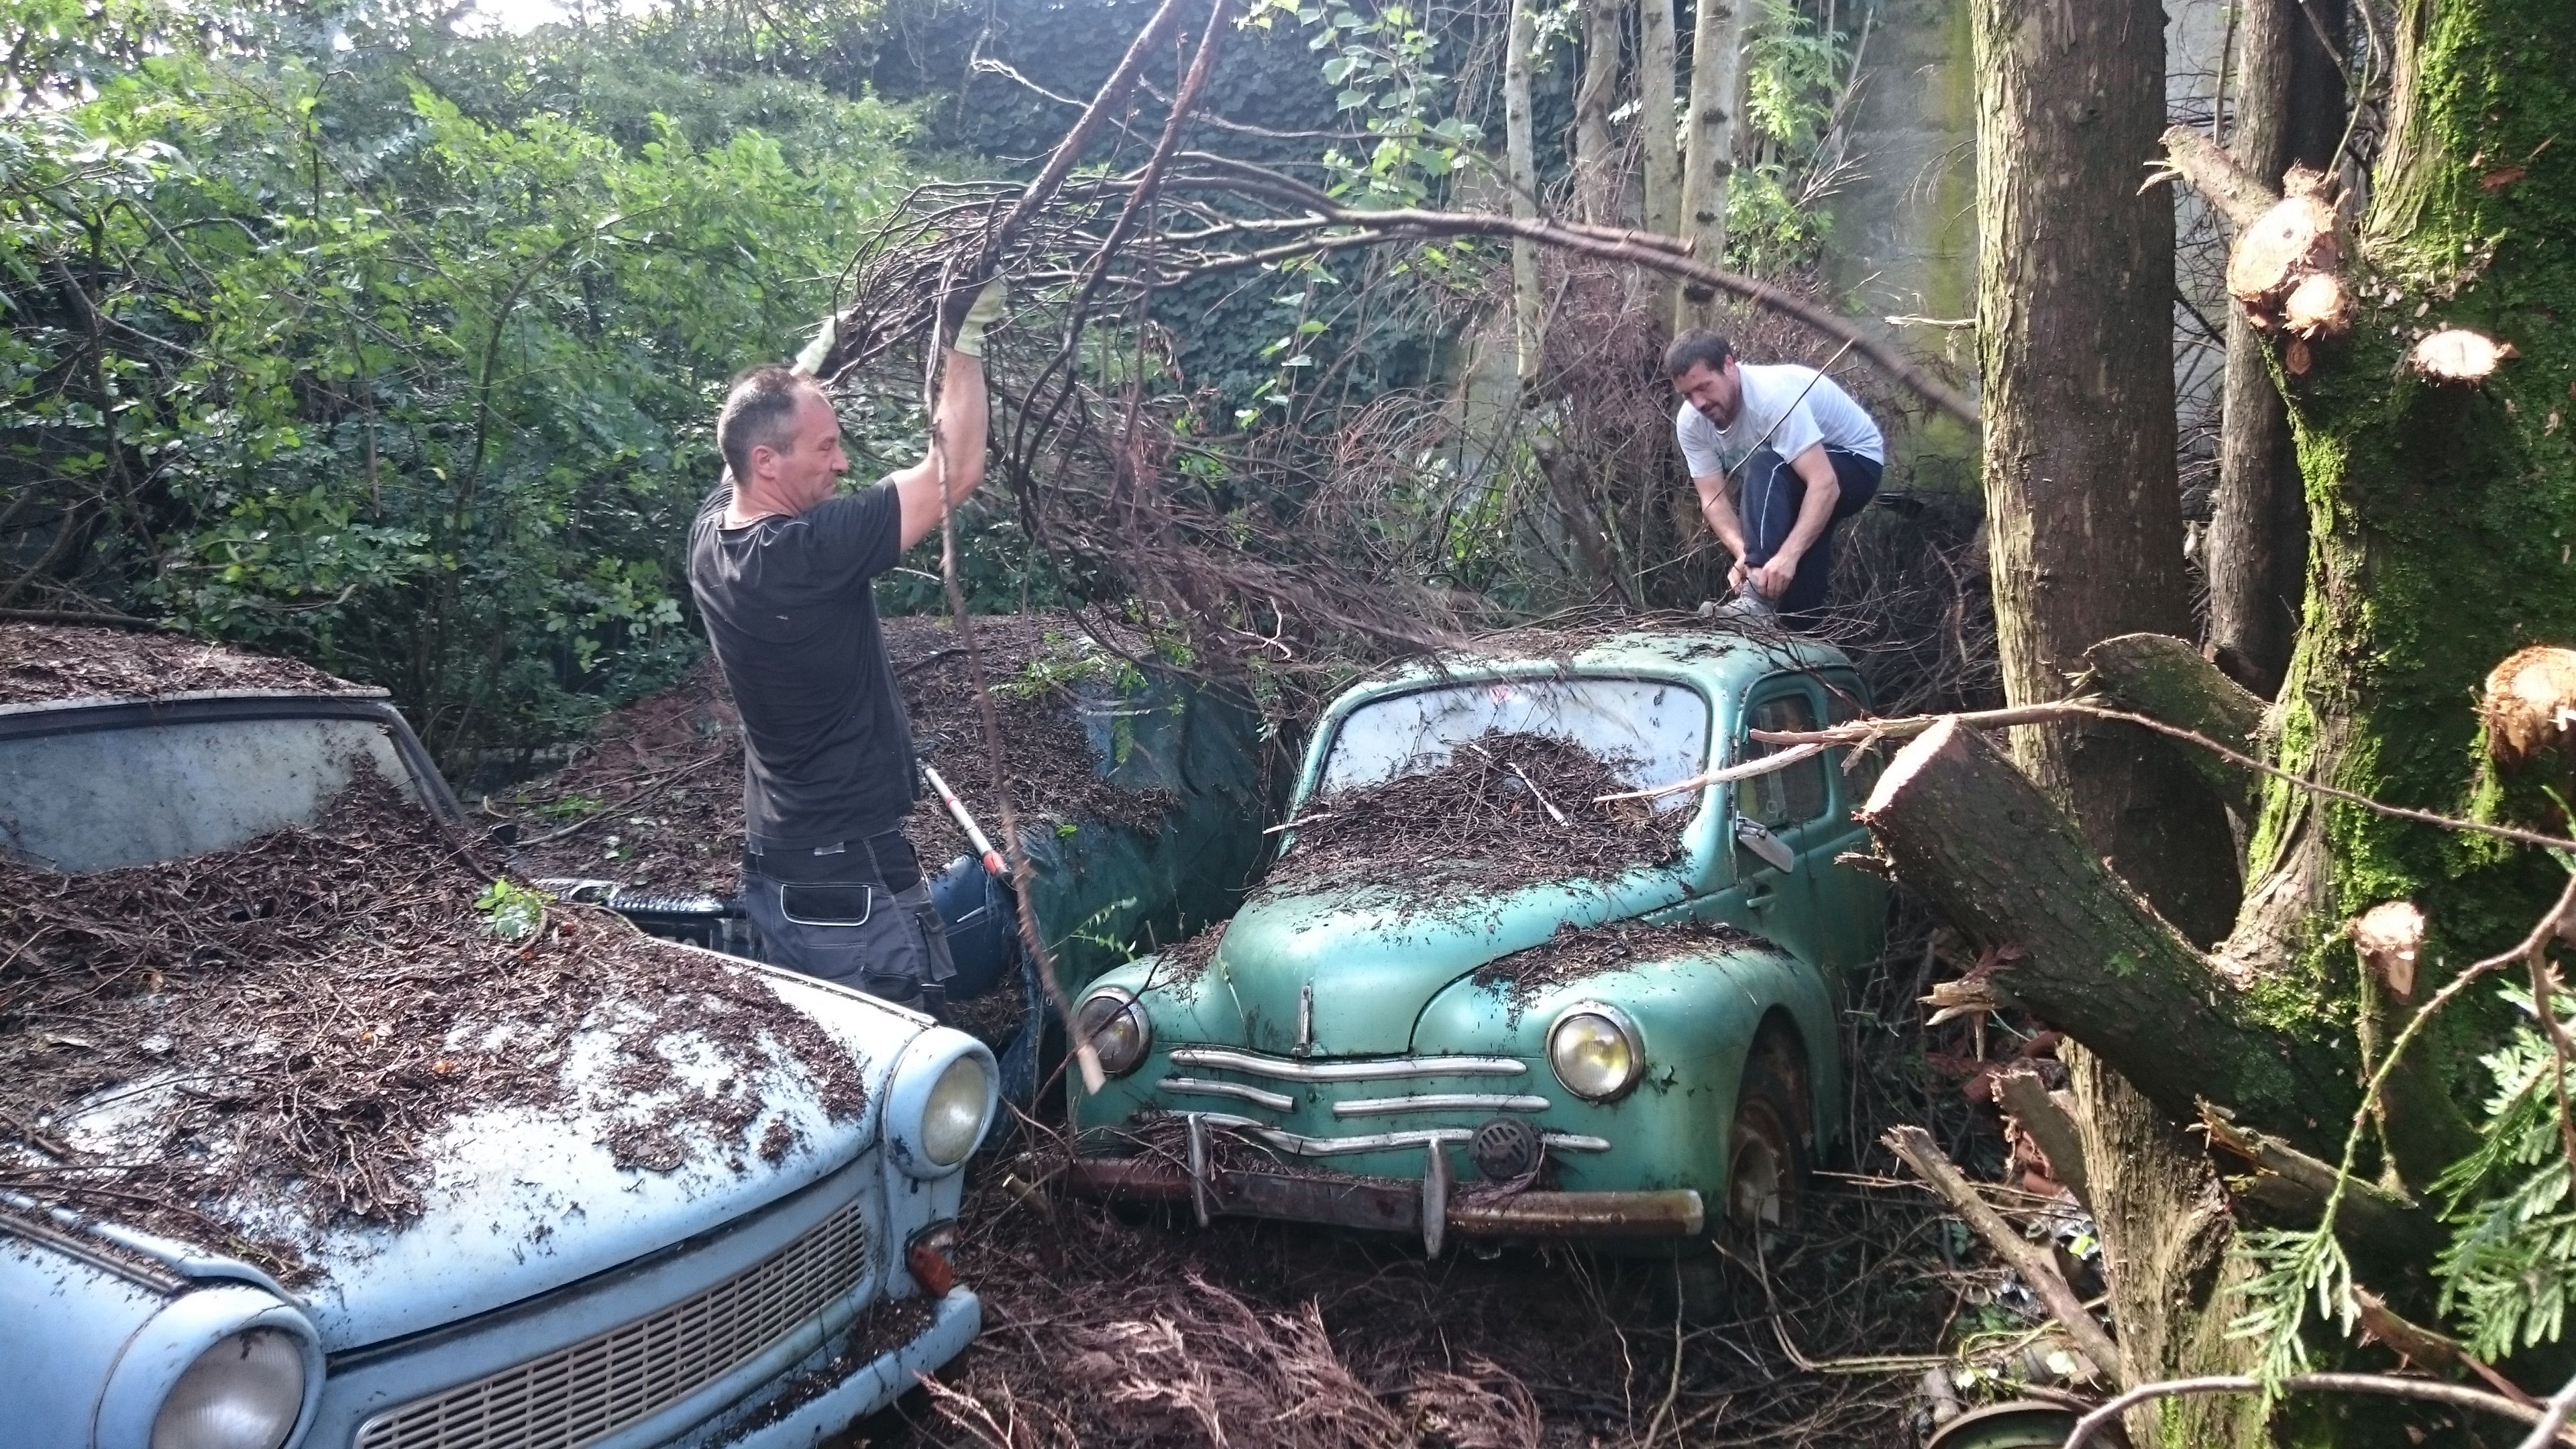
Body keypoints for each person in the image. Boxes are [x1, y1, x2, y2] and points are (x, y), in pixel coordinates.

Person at [687, 278, 1007, 1010]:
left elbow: (734, 448)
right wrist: (964, 342)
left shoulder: (713, 537)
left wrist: (811, 367)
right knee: (898, 1072)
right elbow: (954, 469)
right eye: (827, 448)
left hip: (784, 872)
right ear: (768, 463)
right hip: (850, 888)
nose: (841, 464)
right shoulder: (804, 555)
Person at [1667, 330, 1884, 628]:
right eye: (1688, 395)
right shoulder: (1691, 424)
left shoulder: (1770, 398)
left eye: (1705, 387)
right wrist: (1744, 553)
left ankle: (1755, 603)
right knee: (1793, 588)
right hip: (1801, 478)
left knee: (1766, 465)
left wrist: (1785, 557)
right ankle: (1802, 644)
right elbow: (1713, 500)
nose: (1699, 402)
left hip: (1856, 463)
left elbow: (1825, 484)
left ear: (1730, 365)